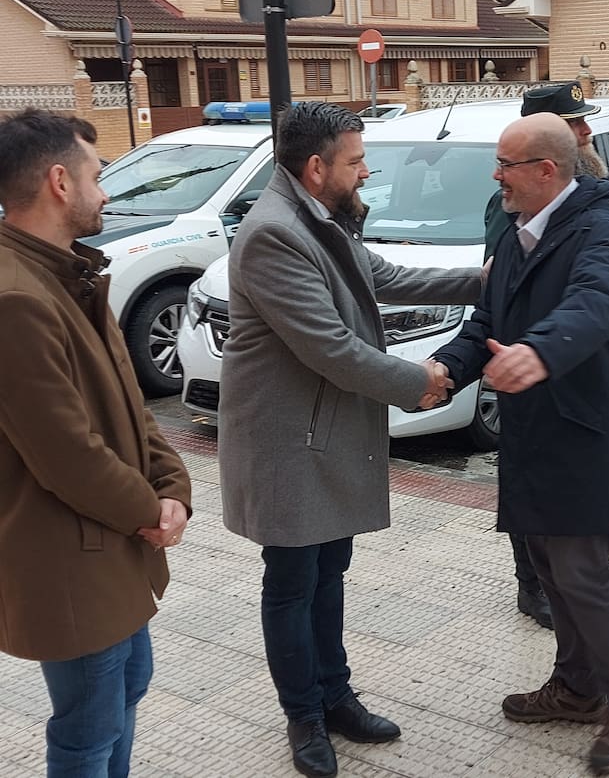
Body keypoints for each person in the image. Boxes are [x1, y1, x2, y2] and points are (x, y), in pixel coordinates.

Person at [218, 102, 483, 778]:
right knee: (293, 581)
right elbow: (329, 348)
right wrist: (419, 380)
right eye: (357, 161)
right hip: (288, 441)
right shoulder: (275, 234)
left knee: (328, 571)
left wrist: (487, 280)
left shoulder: (318, 220)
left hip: (323, 433)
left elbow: (386, 279)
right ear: (316, 167)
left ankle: (335, 695)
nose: (367, 172)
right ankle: (303, 715)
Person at [432, 112, 609, 774]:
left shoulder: (601, 232)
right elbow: (486, 322)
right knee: (551, 570)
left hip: (585, 435)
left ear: (546, 172)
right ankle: (579, 687)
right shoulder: (513, 233)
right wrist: (446, 369)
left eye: (505, 165)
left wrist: (539, 350)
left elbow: (598, 305)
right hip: (533, 435)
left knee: (585, 572)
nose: (495, 176)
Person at [0, 108, 192, 777]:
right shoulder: (15, 297)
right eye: (97, 175)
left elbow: (130, 403)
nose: (106, 192)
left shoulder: (67, 273)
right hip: (69, 556)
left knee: (126, 693)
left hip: (113, 542)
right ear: (59, 182)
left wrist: (174, 489)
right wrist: (150, 512)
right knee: (88, 729)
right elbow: (66, 453)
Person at [482, 81, 608, 631]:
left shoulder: (599, 202)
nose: (586, 131)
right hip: (522, 370)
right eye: (575, 122)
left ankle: (589, 671)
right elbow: (497, 285)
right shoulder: (510, 205)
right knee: (528, 493)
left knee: (579, 546)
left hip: (571, 374)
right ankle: (531, 584)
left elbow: (598, 298)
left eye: (582, 123)